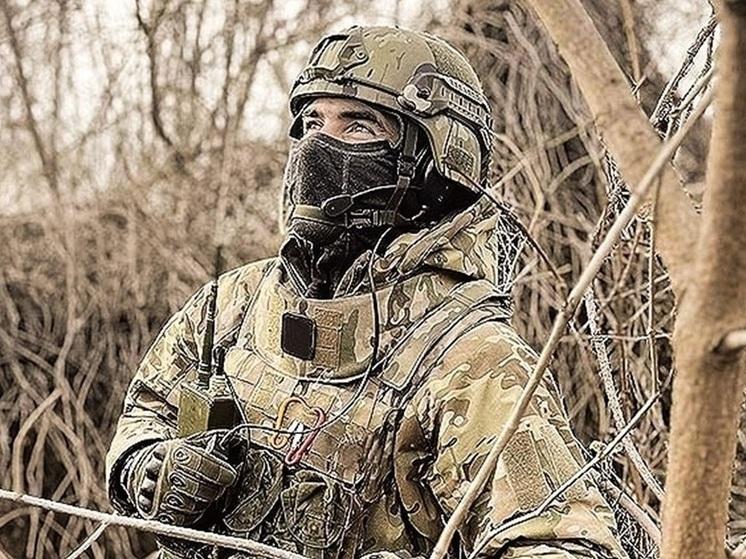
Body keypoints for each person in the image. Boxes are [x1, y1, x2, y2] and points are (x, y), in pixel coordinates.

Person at [106, 26, 628, 559]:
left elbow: (558, 544)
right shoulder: (232, 304)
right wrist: (148, 469)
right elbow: (146, 414)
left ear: (433, 164)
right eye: (312, 122)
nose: (316, 148)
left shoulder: (472, 358)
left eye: (357, 125)